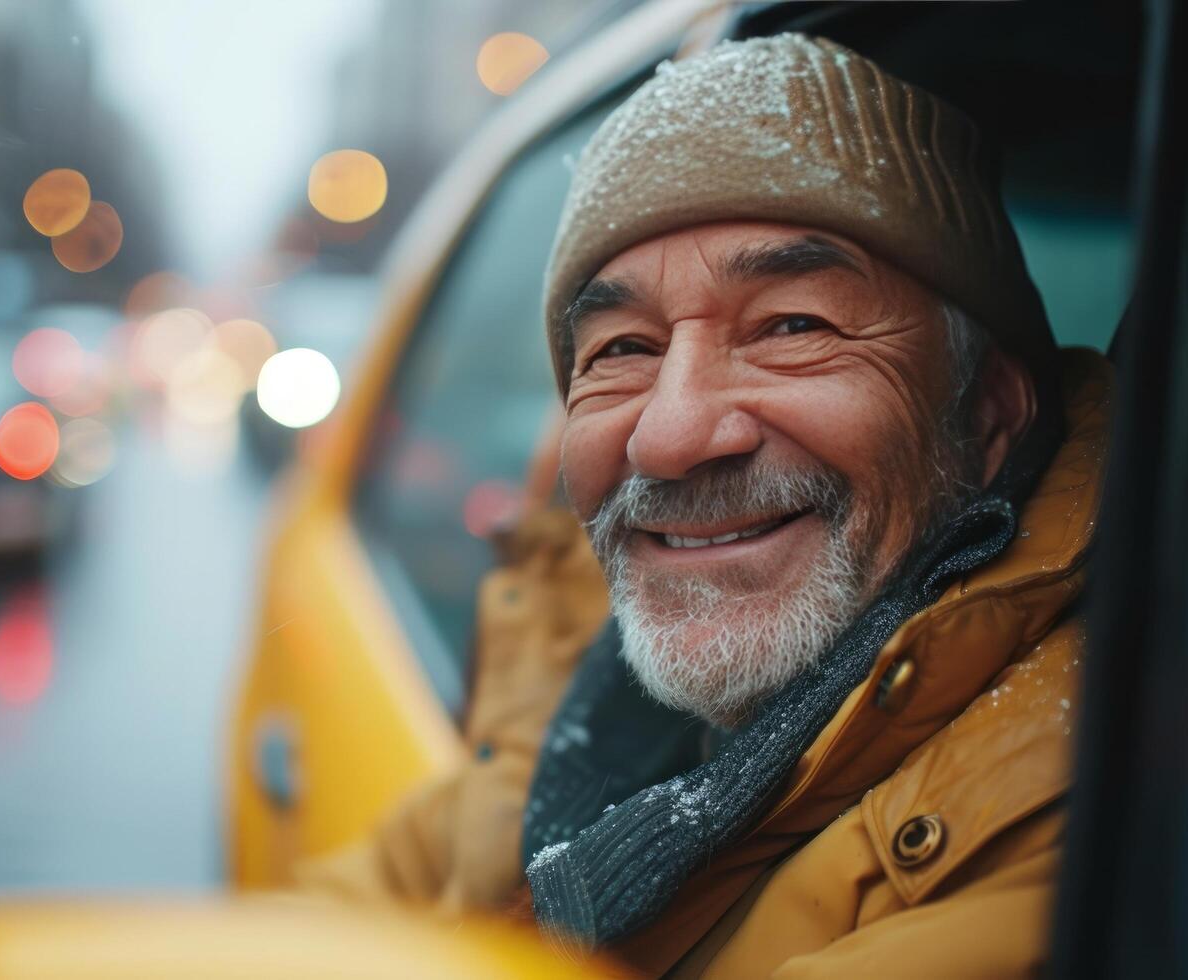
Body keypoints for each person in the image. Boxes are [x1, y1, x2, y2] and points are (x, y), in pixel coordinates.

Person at [299, 33, 1109, 978]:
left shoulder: (1082, 822)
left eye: (792, 326)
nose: (669, 436)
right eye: (621, 350)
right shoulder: (566, 689)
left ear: (985, 416)